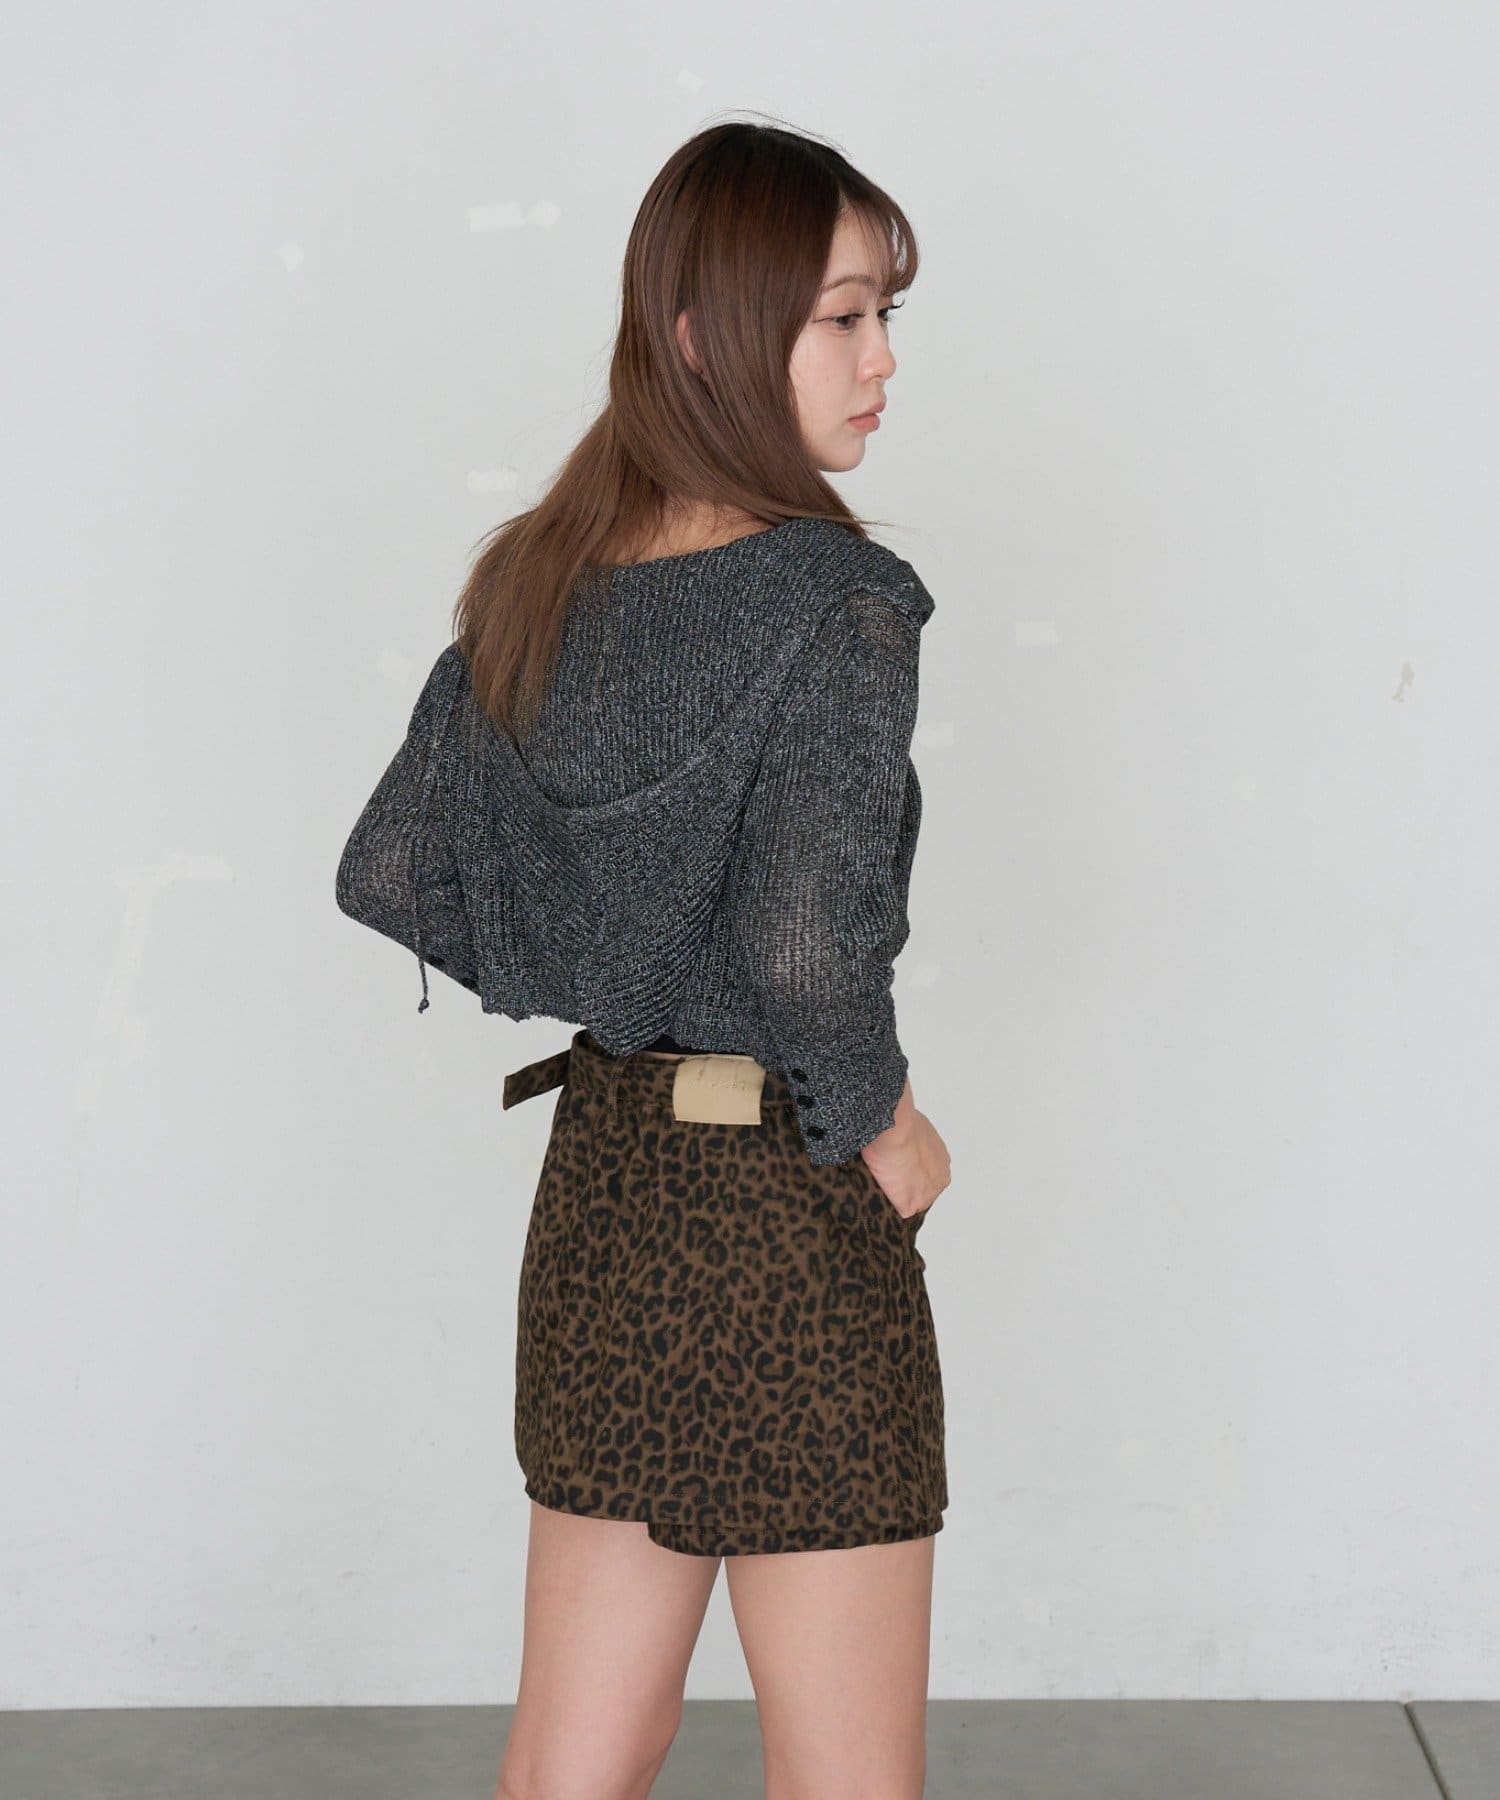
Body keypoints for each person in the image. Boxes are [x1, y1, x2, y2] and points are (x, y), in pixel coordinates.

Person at [336, 114, 952, 1800]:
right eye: (842, 317)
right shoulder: (836, 601)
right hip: (787, 1208)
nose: (882, 358)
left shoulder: (538, 576)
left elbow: (388, 866)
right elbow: (808, 951)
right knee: (847, 1779)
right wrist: (887, 1124)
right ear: (703, 336)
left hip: (606, 1192)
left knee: (573, 1760)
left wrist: (604, 953)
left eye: (887, 314)